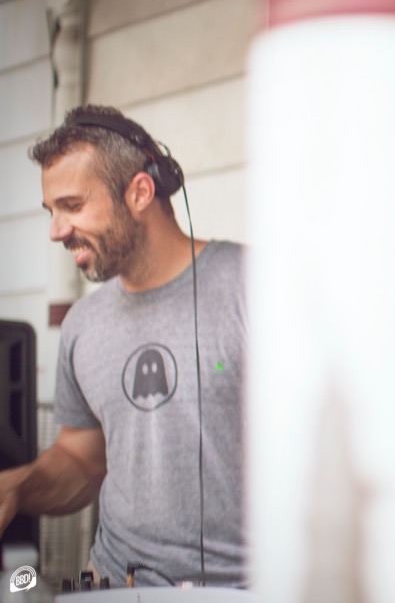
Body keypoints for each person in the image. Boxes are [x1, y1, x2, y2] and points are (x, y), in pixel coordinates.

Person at [0, 105, 247, 588]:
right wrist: (16, 486)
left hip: (246, 588)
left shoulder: (255, 286)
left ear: (140, 192)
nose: (56, 231)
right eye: (51, 212)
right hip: (116, 581)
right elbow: (82, 459)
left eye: (72, 205)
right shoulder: (82, 324)